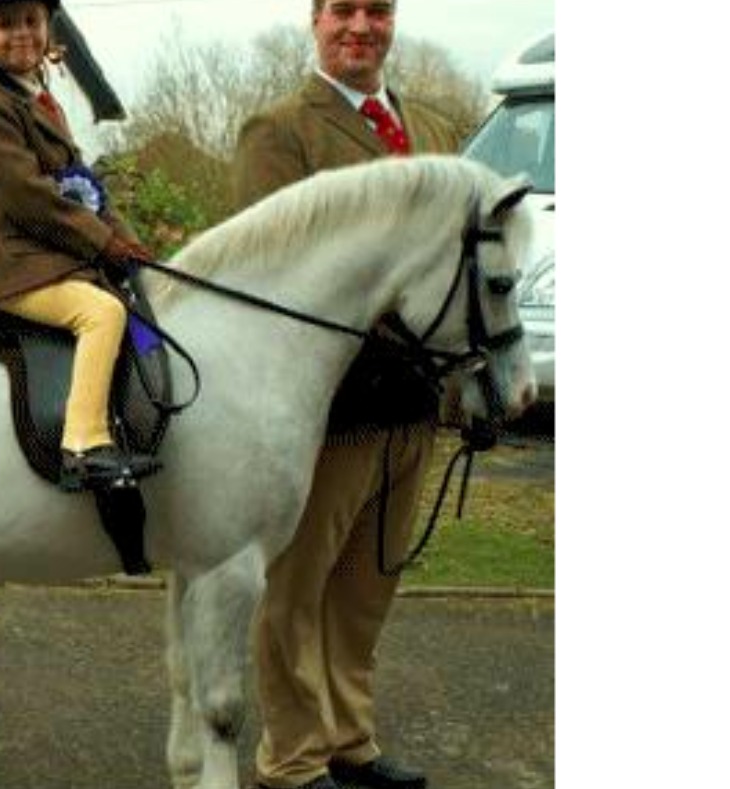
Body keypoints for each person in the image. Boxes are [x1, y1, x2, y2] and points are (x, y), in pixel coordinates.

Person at [232, 2, 461, 788]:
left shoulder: (432, 128)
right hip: (333, 405)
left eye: (377, 9)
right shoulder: (279, 131)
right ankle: (292, 759)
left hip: (413, 405)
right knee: (296, 591)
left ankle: (348, 740)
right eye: (343, 10)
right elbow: (272, 271)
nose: (360, 25)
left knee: (365, 591)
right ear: (315, 20)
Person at [0, 0, 159, 491]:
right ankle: (83, 444)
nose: (21, 33)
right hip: (8, 260)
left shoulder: (37, 97)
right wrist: (103, 243)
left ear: (47, 26)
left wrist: (131, 246)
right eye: (5, 24)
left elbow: (82, 186)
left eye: (31, 21)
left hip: (43, 252)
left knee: (141, 298)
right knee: (101, 313)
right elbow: (31, 198)